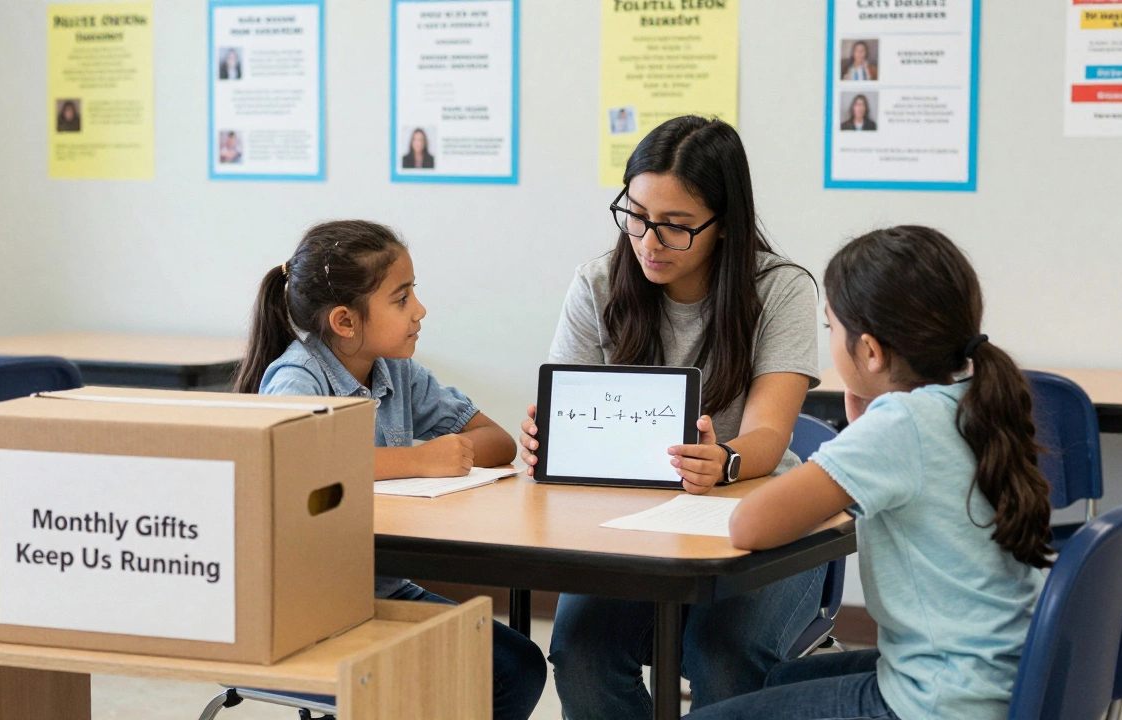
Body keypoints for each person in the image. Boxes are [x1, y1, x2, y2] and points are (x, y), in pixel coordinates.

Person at [517, 116, 825, 718]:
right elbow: (568, 408)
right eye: (635, 215)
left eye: (676, 226)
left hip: (757, 518)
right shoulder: (598, 283)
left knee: (724, 654)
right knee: (580, 649)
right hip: (631, 521)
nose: (648, 241)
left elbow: (768, 433)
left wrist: (726, 460)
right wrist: (545, 441)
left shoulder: (780, 289)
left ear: (725, 225)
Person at [685, 226, 1052, 720]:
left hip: (937, 702)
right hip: (999, 677)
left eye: (831, 328)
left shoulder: (901, 425)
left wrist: (863, 436)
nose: (829, 341)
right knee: (771, 684)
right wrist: (863, 435)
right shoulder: (974, 401)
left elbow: (749, 524)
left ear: (871, 352)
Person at [234, 220, 547, 720]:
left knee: (516, 666)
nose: (419, 311)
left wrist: (453, 448)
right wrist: (420, 459)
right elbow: (297, 471)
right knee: (485, 674)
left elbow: (498, 441)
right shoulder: (297, 379)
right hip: (305, 610)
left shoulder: (395, 369)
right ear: (344, 321)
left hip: (380, 588)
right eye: (401, 299)